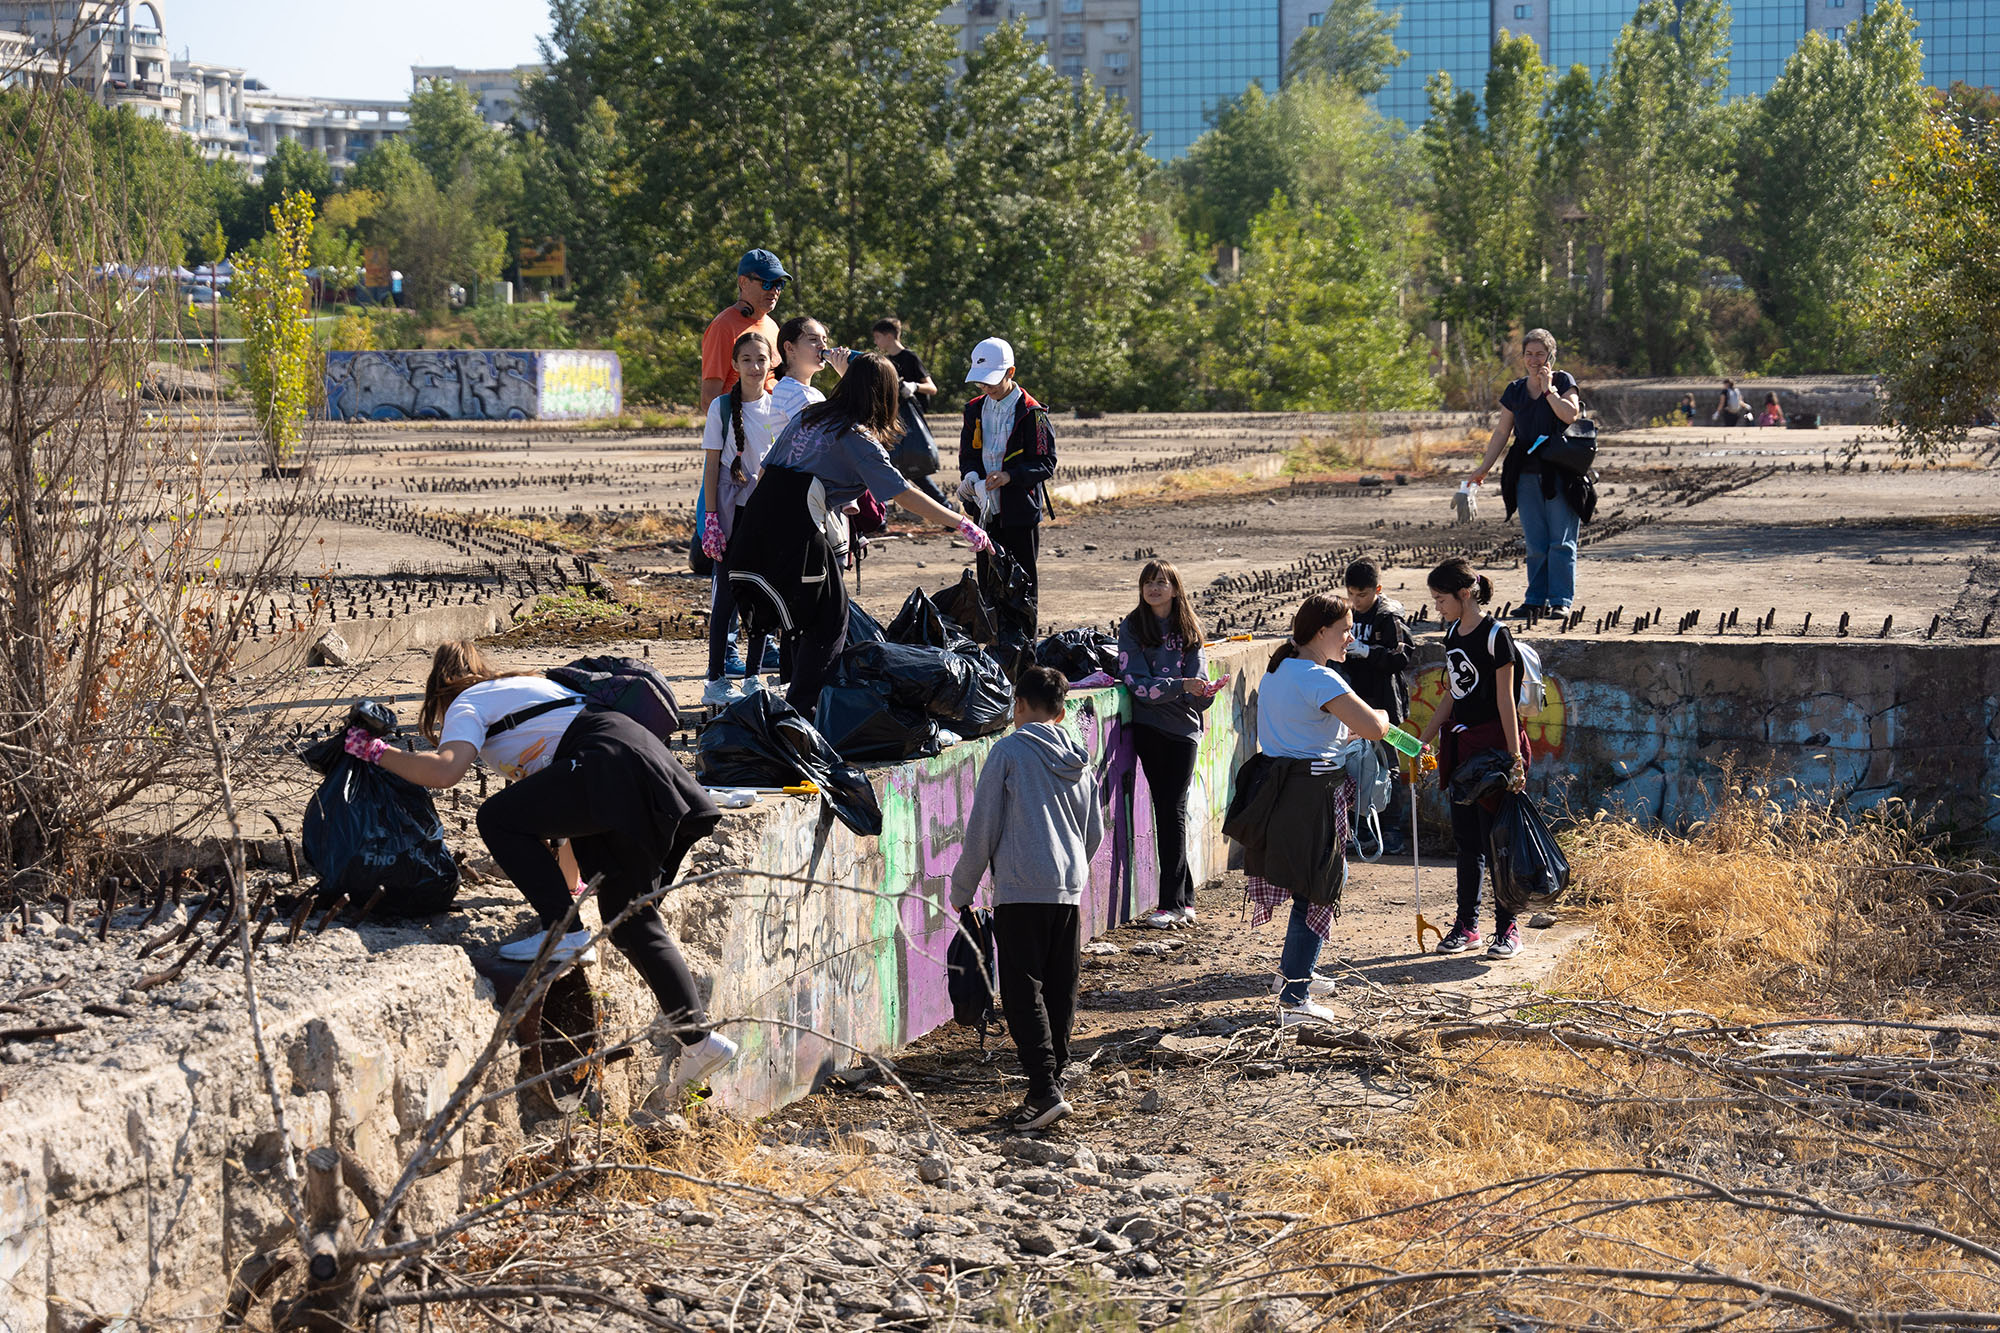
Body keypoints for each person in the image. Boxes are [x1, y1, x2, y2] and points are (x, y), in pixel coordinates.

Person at [352, 641, 737, 1102]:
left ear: (440, 690)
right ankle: (700, 1040)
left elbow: (444, 771)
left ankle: (562, 931)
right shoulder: (531, 688)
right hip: (641, 764)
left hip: (605, 762)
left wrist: (374, 751)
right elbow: (563, 821)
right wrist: (570, 887)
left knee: (494, 817)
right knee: (633, 923)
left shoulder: (469, 701)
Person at [728, 352, 990, 714]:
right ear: (885, 396)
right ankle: (803, 716)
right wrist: (961, 522)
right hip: (794, 524)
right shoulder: (857, 438)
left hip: (759, 516)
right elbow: (902, 492)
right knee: (830, 621)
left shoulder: (811, 416)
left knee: (803, 614)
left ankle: (796, 701)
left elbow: (775, 465)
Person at [949, 665, 1106, 1131]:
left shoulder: (1008, 752)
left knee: (1023, 990)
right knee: (1060, 985)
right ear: (1061, 711)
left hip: (1021, 889)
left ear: (1018, 705)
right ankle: (1051, 1083)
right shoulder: (1080, 759)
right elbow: (1094, 831)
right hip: (1067, 889)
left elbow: (983, 828)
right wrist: (1069, 870)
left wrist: (962, 890)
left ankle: (1042, 1090)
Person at [1228, 594, 1391, 1026]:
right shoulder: (1319, 679)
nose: (1350, 638)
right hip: (1312, 793)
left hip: (1285, 789)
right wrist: (1384, 716)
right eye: (1344, 630)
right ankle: (1295, 996)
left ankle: (1295, 974)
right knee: (1318, 888)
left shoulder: (1281, 670)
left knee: (1315, 883)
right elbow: (1373, 727)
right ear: (1321, 632)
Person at [1414, 558, 1531, 961]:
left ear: (1464, 595)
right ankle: (1467, 925)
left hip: (1496, 751)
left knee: (1497, 842)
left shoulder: (1497, 636)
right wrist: (1423, 740)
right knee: (1466, 843)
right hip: (1462, 751)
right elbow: (1453, 693)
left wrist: (1515, 758)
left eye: (1441, 599)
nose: (1437, 607)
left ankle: (1508, 927)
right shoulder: (1451, 633)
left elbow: (1505, 699)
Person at [1118, 560, 1226, 930]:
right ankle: (1183, 900)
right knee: (1168, 811)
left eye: (1162, 582)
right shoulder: (1132, 627)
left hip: (1184, 732)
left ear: (1176, 589)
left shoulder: (1189, 629)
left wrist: (1203, 692)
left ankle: (1171, 904)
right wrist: (1180, 687)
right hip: (1149, 729)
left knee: (1171, 811)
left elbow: (1198, 689)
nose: (1154, 588)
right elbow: (1136, 683)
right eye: (1148, 582)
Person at [1466, 328, 1585, 618]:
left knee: (1561, 541)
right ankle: (1535, 599)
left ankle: (1560, 600)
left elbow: (1570, 415)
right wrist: (1483, 469)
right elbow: (1501, 432)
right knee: (1535, 543)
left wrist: (1548, 390)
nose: (1534, 359)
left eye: (1540, 354)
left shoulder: (1563, 381)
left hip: (1560, 471)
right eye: (1529, 354)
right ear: (1522, 357)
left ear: (1551, 356)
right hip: (1525, 473)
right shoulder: (1515, 390)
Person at [698, 331, 785, 707]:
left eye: (761, 359)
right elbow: (711, 467)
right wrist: (712, 518)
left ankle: (752, 677)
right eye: (746, 359)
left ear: (772, 364)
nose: (754, 366)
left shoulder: (779, 407)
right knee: (727, 598)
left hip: (767, 513)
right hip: (732, 513)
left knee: (763, 597)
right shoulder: (720, 408)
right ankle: (715, 678)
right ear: (734, 364)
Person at [957, 337, 1057, 632]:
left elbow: (1045, 462)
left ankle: (1023, 644)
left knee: (1022, 578)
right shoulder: (974, 409)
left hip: (1018, 511)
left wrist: (1010, 476)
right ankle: (994, 642)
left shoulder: (1032, 413)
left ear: (1010, 373)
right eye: (980, 382)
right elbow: (968, 454)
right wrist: (971, 478)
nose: (985, 388)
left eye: (991, 381)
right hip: (984, 510)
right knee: (988, 577)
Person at [1341, 559, 1416, 856]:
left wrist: (1368, 652)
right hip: (1352, 704)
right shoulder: (1346, 613)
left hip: (1385, 706)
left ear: (1377, 590)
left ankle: (1392, 829)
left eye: (1362, 596)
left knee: (1388, 766)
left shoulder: (1388, 617)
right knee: (1352, 767)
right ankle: (1359, 830)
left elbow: (1402, 656)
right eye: (1352, 595)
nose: (1356, 602)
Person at [874, 316, 950, 508]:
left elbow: (932, 388)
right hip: (891, 424)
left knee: (912, 472)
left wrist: (914, 386)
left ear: (889, 336)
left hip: (909, 426)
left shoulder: (910, 357)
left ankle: (946, 508)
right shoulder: (884, 361)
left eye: (877, 337)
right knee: (888, 469)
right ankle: (880, 518)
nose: (876, 342)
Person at [699, 249, 786, 414]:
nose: (774, 290)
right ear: (743, 282)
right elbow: (709, 399)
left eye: (779, 284)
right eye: (766, 283)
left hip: (772, 427)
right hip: (742, 430)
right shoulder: (723, 326)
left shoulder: (772, 326)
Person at [770, 316, 851, 423]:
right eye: (813, 339)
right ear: (789, 348)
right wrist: (848, 379)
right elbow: (829, 432)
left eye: (825, 341)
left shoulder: (795, 389)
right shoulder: (796, 392)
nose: (822, 346)